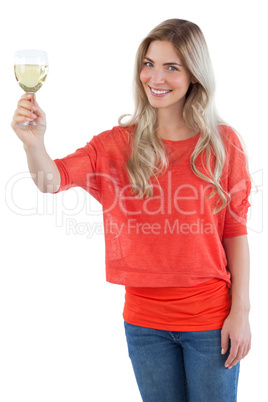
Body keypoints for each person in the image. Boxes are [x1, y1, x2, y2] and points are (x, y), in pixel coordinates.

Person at [11, 18, 252, 402]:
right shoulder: (115, 145)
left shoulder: (223, 144)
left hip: (210, 321)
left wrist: (241, 313)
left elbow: (234, 231)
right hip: (144, 325)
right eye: (149, 63)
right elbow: (50, 181)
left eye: (171, 67)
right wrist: (32, 143)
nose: (155, 76)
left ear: (195, 75)